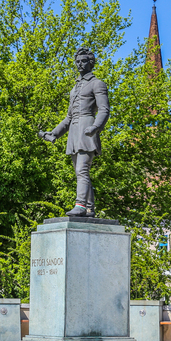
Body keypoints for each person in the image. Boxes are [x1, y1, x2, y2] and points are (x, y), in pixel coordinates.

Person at [40, 47, 110, 217]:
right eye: (77, 61)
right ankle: (89, 208)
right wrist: (54, 133)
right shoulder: (75, 88)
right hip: (73, 132)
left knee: (82, 170)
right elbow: (69, 117)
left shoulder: (97, 84)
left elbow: (104, 110)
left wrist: (96, 126)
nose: (80, 64)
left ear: (91, 62)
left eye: (83, 61)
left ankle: (80, 205)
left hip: (87, 129)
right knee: (80, 172)